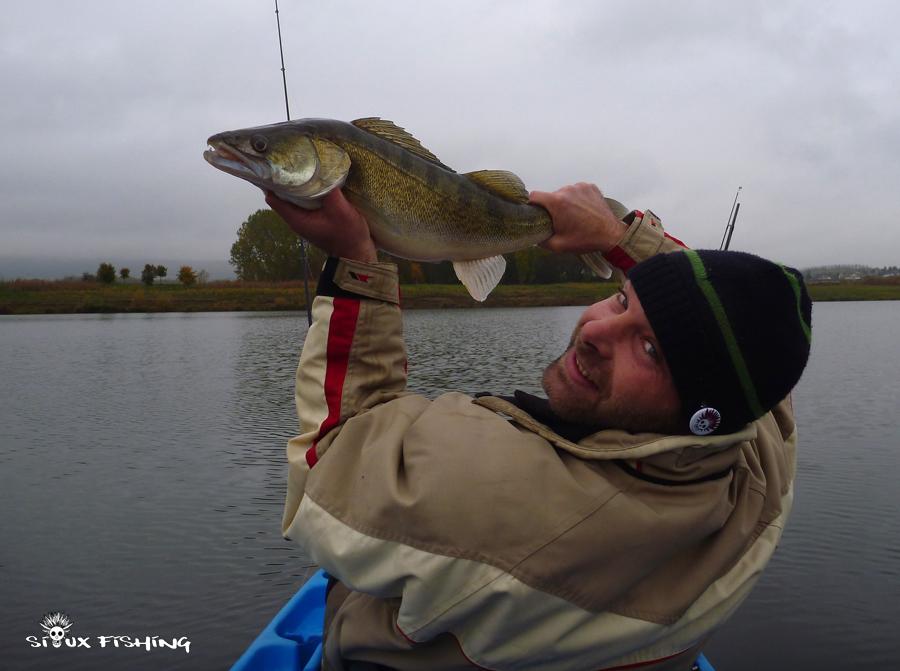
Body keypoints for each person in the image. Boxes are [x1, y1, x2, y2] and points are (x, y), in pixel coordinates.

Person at [266, 183, 812, 671]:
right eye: (623, 299)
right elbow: (744, 341)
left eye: (649, 350)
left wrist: (355, 262)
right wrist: (617, 235)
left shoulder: (506, 504)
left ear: (701, 410)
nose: (595, 330)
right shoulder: (760, 460)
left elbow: (331, 459)